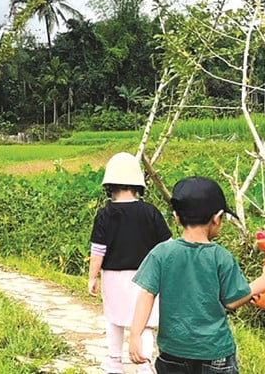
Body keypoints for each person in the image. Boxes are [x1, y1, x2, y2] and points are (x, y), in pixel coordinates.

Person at [128, 176, 265, 374]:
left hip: (173, 354)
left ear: (177, 218)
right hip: (215, 354)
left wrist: (135, 335)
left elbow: (146, 294)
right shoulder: (221, 257)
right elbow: (233, 300)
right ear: (217, 218)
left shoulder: (161, 253)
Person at [88, 152, 172, 373]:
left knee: (114, 319)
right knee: (143, 322)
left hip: (113, 276)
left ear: (110, 185)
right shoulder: (150, 212)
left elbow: (98, 250)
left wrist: (92, 277)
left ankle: (114, 362)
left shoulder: (105, 214)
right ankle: (144, 365)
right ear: (138, 185)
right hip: (147, 278)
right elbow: (168, 246)